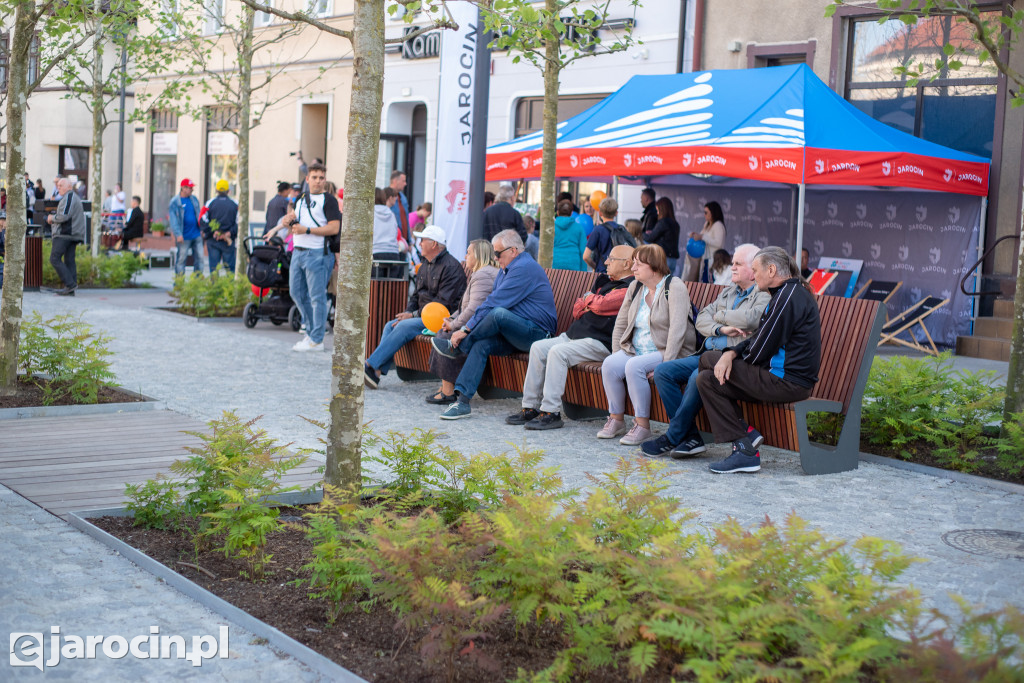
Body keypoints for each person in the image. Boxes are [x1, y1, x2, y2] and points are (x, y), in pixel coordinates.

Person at [695, 246, 821, 474]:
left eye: (755, 270)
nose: (753, 276)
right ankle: (744, 444)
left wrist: (727, 357)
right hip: (779, 377)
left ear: (771, 270)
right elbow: (761, 339)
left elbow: (759, 350)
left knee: (707, 360)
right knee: (706, 379)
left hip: (787, 382)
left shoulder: (788, 297)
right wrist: (730, 354)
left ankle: (746, 441)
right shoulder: (787, 293)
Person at [641, 243, 771, 457]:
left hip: (731, 359)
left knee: (697, 376)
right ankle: (690, 436)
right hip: (705, 354)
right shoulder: (729, 292)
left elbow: (751, 319)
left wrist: (719, 316)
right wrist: (721, 328)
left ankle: (674, 437)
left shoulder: (762, 294)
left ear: (753, 267)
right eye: (733, 263)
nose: (732, 268)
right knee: (664, 372)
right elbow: (701, 317)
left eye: (738, 264)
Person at [430, 229, 557, 420]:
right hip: (515, 332)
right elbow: (489, 302)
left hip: (536, 334)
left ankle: (460, 347)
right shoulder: (506, 269)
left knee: (498, 314)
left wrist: (465, 330)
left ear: (514, 251)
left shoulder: (523, 268)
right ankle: (462, 402)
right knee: (482, 345)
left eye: (498, 253)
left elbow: (494, 304)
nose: (495, 258)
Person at [508, 244, 636, 430]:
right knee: (537, 347)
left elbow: (602, 305)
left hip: (600, 343)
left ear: (626, 264)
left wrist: (589, 300)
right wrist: (591, 301)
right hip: (575, 336)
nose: (606, 261)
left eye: (612, 258)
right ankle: (530, 407)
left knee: (558, 353)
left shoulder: (630, 287)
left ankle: (551, 412)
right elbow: (576, 310)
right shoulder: (604, 281)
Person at [599, 244, 696, 445]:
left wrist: (667, 364)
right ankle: (616, 420)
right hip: (636, 349)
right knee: (609, 364)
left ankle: (642, 426)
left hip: (665, 351)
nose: (633, 269)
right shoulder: (635, 287)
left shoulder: (674, 286)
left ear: (653, 266)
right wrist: (618, 353)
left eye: (638, 264)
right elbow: (621, 323)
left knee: (634, 366)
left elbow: (678, 332)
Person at [365, 223, 467, 388]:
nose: (419, 244)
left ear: (434, 244)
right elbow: (415, 296)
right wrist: (407, 313)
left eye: (423, 240)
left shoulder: (451, 267)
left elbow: (443, 304)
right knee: (390, 325)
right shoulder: (425, 264)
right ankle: (375, 373)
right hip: (423, 316)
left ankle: (370, 365)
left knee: (403, 327)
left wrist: (412, 316)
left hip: (442, 320)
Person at [425, 239, 500, 403]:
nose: (465, 256)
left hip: (480, 327)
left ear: (478, 255)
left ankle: (448, 391)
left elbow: (474, 309)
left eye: (468, 253)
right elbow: (464, 307)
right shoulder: (481, 273)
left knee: (445, 336)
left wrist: (453, 325)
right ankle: (446, 386)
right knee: (444, 331)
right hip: (477, 323)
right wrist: (451, 319)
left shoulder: (483, 275)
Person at [280, 162, 341, 352]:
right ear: (307, 179)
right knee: (296, 293)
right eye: (314, 177)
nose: (318, 181)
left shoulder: (328, 200)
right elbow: (293, 222)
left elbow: (334, 227)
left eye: (321, 178)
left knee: (316, 297)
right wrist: (287, 222)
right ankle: (311, 331)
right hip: (298, 251)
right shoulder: (300, 198)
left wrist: (307, 230)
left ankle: (316, 339)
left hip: (318, 253)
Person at [47, 177, 87, 296]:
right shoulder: (72, 197)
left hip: (66, 234)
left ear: (69, 187)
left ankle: (70, 284)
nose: (58, 187)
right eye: (57, 185)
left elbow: (64, 216)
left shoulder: (69, 196)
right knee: (69, 260)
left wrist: (51, 218)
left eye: (61, 185)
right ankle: (70, 290)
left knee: (54, 258)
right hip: (72, 234)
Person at [584, 196, 633, 273]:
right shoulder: (621, 228)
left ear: (600, 213)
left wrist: (596, 267)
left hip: (602, 272)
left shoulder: (598, 230)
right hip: (619, 273)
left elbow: (586, 256)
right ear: (616, 213)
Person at [169, 178, 205, 275]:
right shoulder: (175, 202)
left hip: (196, 234)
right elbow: (173, 220)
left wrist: (202, 228)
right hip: (184, 236)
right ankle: (179, 284)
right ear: (183, 188)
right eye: (190, 188)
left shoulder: (194, 199)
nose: (192, 190)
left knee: (200, 259)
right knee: (181, 260)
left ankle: (197, 283)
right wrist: (178, 234)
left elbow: (199, 214)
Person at [202, 179, 238, 273]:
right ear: (228, 191)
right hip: (228, 241)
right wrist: (229, 233)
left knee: (214, 270)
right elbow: (239, 222)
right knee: (230, 270)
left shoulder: (210, 203)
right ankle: (230, 287)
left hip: (213, 240)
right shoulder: (235, 204)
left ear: (216, 190)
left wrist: (214, 231)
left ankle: (214, 287)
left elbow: (202, 219)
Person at [684, 200, 726, 281]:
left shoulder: (718, 225)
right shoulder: (707, 224)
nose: (704, 215)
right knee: (704, 283)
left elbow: (718, 243)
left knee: (712, 285)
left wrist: (702, 237)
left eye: (706, 212)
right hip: (706, 260)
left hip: (715, 260)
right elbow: (702, 237)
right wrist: (695, 235)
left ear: (713, 213)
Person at [642, 197, 680, 274]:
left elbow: (650, 238)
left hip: (664, 258)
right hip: (673, 259)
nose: (657, 213)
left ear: (662, 209)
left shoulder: (663, 222)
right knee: (668, 283)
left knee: (660, 283)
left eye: (658, 210)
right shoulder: (675, 224)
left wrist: (642, 234)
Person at [552, 199, 586, 271]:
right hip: (574, 263)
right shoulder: (579, 228)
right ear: (571, 213)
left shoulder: (551, 228)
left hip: (554, 263)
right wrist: (584, 271)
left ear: (557, 212)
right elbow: (583, 250)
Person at [372, 187, 402, 267]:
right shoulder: (391, 214)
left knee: (374, 279)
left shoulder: (371, 213)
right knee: (391, 279)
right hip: (393, 252)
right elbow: (395, 232)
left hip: (376, 251)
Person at [389, 170, 410, 243]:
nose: (405, 184)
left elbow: (406, 219)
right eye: (403, 181)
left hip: (403, 241)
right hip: (393, 241)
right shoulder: (385, 196)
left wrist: (409, 241)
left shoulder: (403, 198)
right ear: (395, 181)